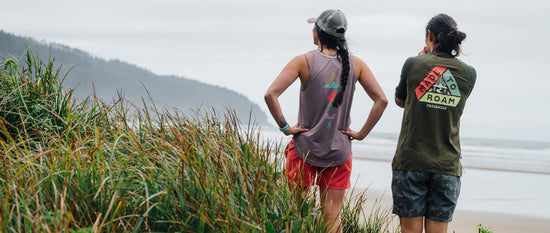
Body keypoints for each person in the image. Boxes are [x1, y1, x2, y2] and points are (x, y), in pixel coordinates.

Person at [264, 9, 387, 233]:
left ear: (318, 32)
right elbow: (382, 100)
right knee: (332, 219)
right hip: (339, 151)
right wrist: (361, 134)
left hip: (304, 148)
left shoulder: (303, 61)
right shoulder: (356, 64)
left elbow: (270, 94)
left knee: (295, 215)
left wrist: (285, 127)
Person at [392, 13, 476, 233]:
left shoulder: (413, 64)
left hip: (411, 161)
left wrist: (422, 59)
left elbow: (400, 101)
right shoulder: (469, 73)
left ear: (429, 35)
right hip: (447, 165)